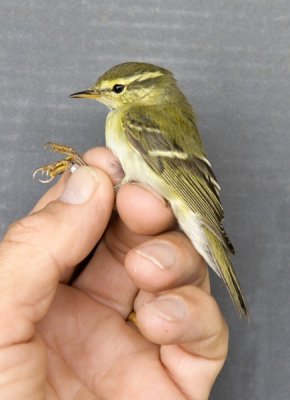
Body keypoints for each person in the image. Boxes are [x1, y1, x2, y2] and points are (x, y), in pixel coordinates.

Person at [0, 147, 228, 399]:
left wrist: (82, 175)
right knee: (139, 208)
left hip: (149, 206)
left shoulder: (132, 120)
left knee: (139, 207)